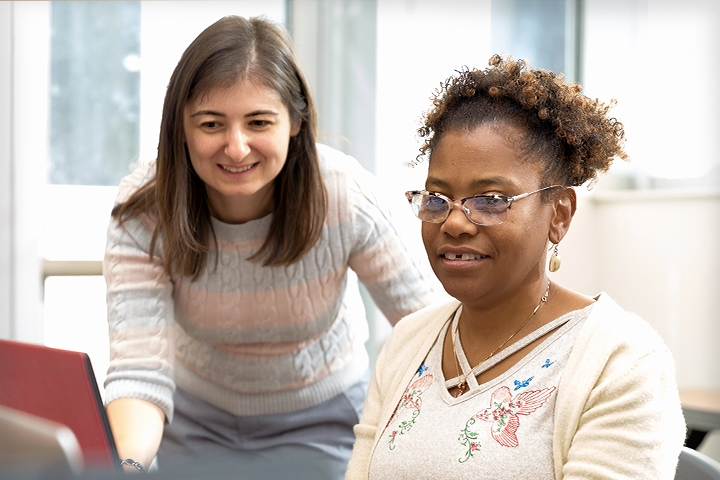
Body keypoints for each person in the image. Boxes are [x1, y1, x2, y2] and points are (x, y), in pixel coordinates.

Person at [102, 15, 436, 477]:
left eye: (258, 121)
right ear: (181, 127)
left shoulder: (342, 194)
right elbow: (139, 373)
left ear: (295, 122)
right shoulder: (147, 206)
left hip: (327, 421)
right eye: (211, 124)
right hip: (196, 422)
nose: (236, 148)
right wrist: (128, 466)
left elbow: (429, 329)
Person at [346, 55, 686, 479]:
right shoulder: (408, 343)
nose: (453, 222)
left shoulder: (620, 363)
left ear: (559, 213)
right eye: (437, 198)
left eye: (491, 200)